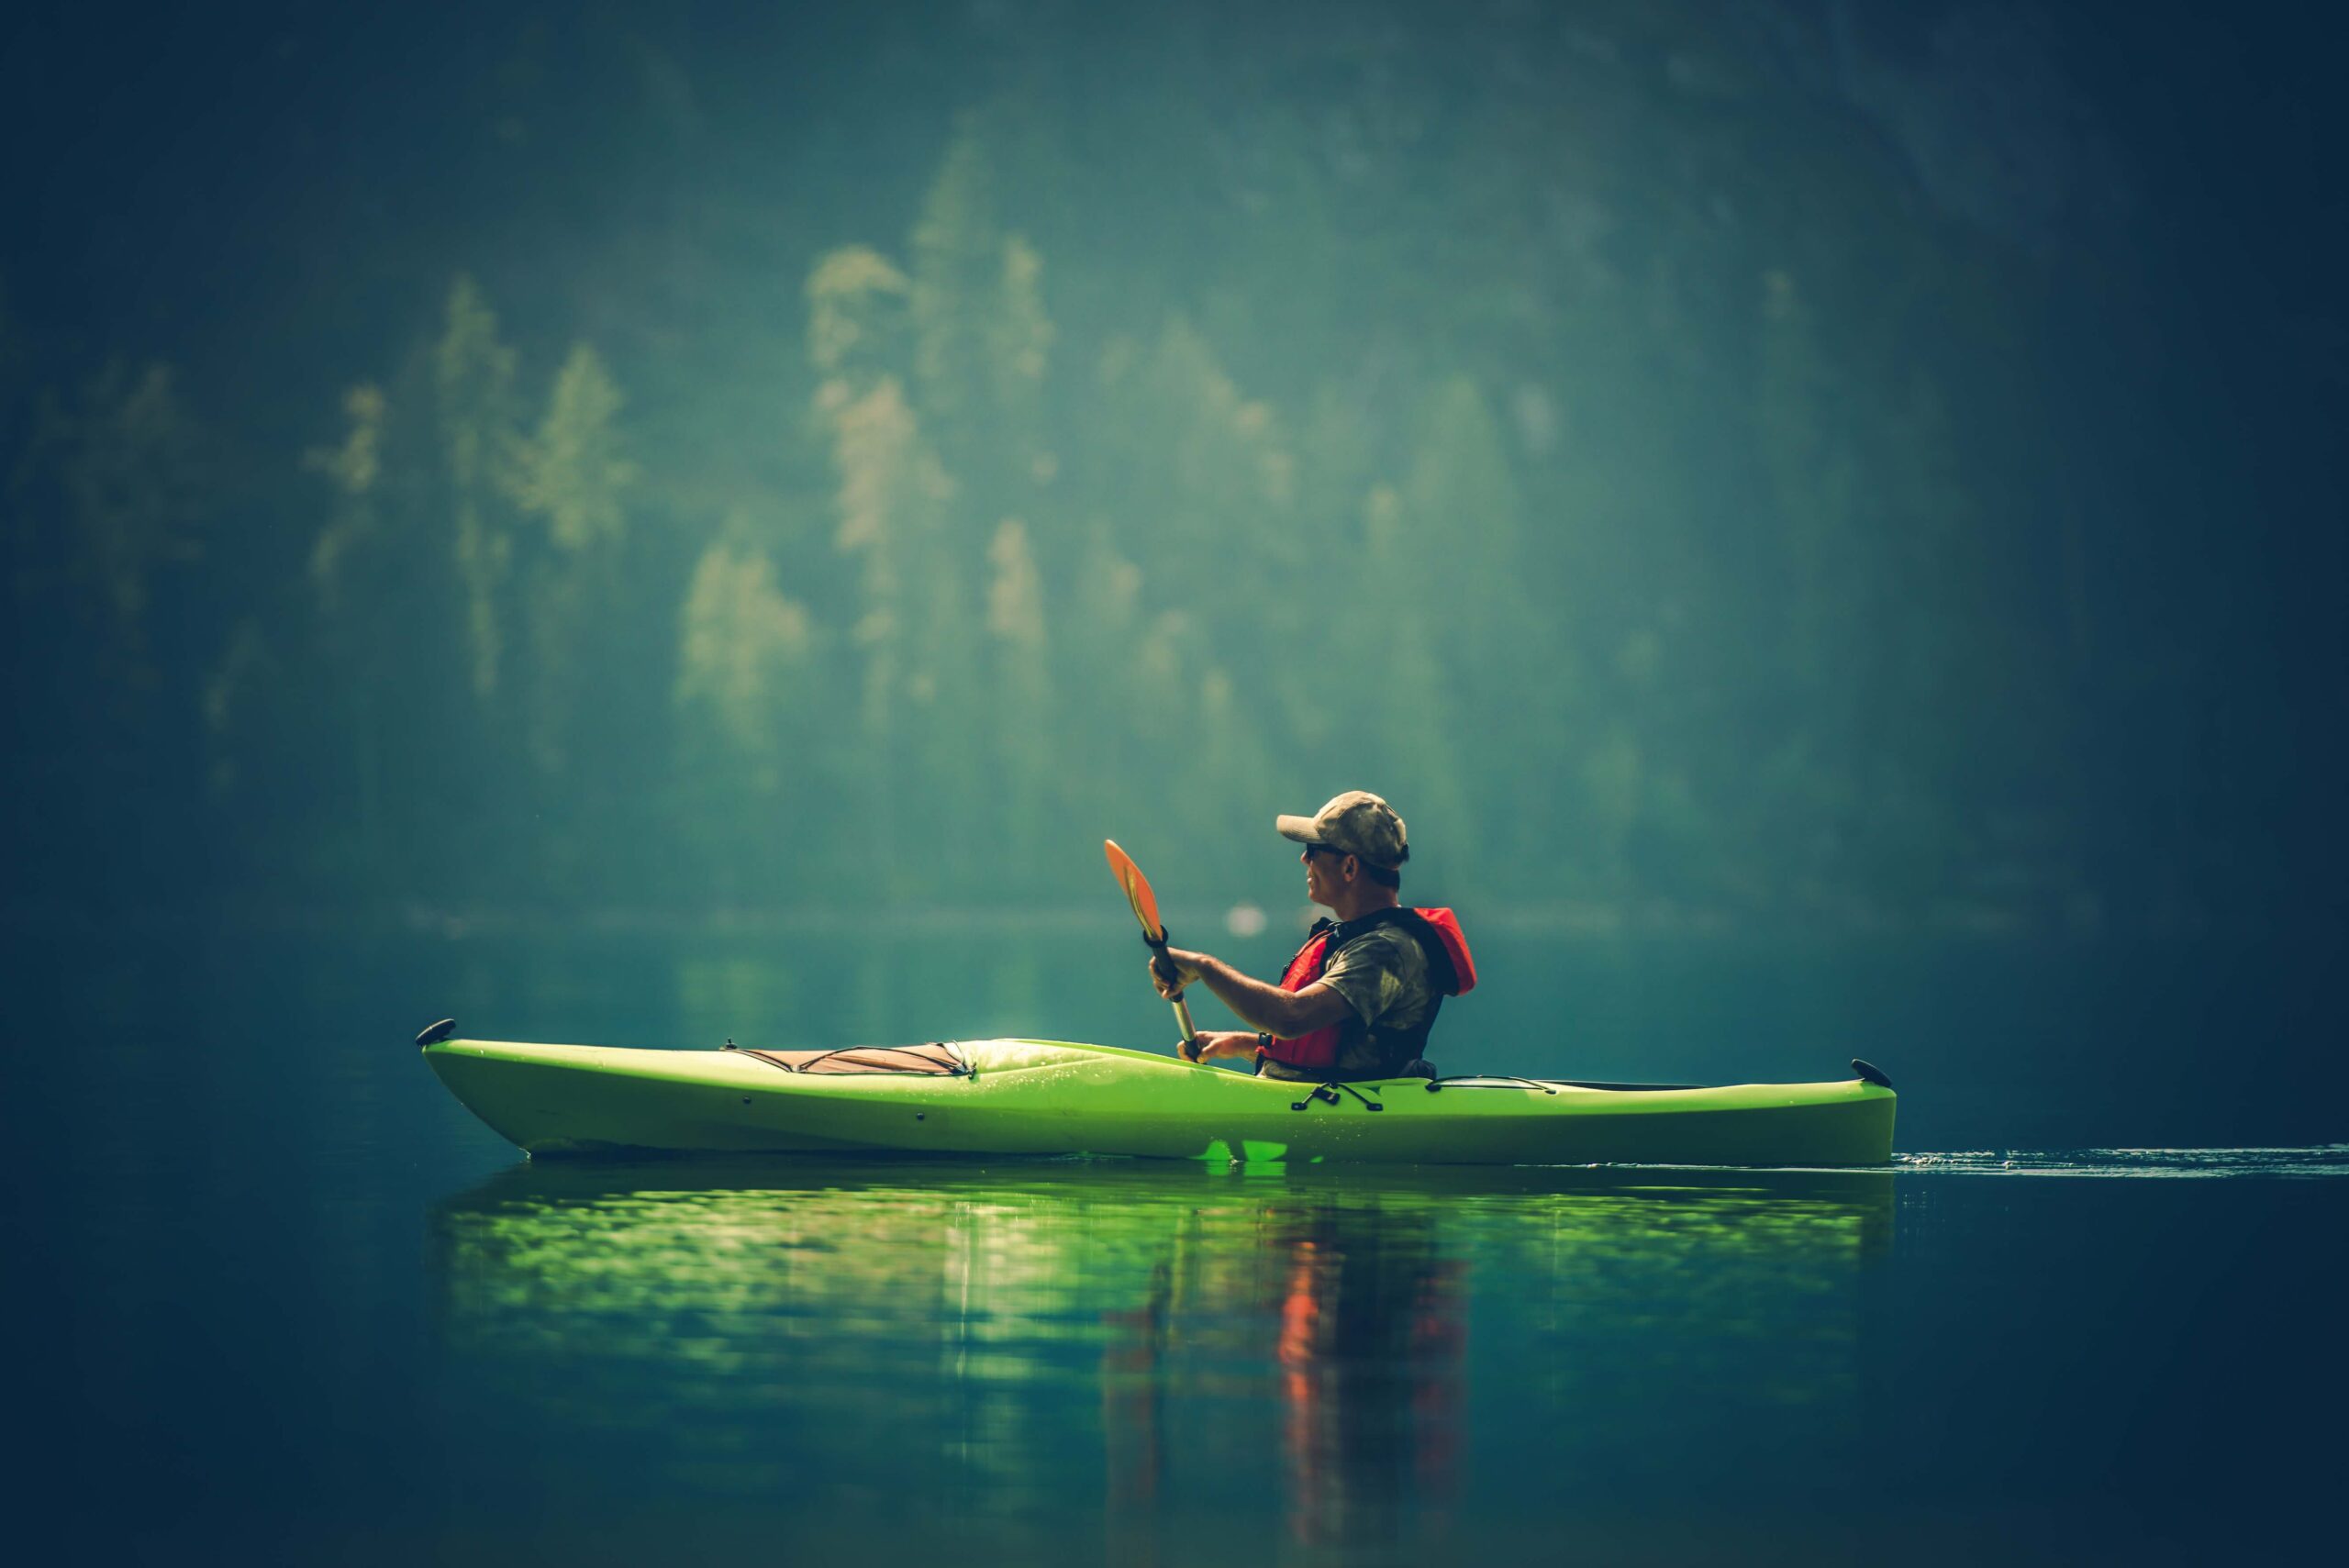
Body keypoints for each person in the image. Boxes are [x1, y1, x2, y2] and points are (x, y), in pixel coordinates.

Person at [1147, 791, 1475, 1081]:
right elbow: (1345, 1049)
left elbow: (1291, 1018)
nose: (1304, 858)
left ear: (1349, 868)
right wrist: (1244, 1044)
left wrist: (1204, 967)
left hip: (1349, 1108)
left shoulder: (1387, 950)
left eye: (1314, 849)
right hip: (1328, 1097)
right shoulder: (1361, 938)